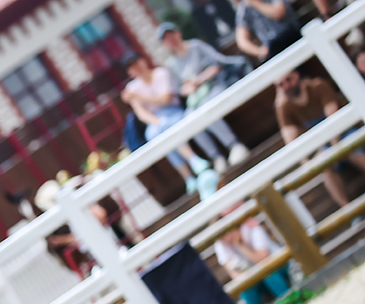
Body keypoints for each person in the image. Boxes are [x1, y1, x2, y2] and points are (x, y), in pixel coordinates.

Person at [158, 22, 252, 169]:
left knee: (206, 109)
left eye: (171, 35)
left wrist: (199, 80)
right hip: (195, 98)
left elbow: (217, 64)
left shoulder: (196, 46)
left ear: (178, 33)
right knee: (189, 119)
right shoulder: (171, 64)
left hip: (214, 85)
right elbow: (179, 89)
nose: (171, 40)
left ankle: (234, 145)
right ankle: (216, 156)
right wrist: (188, 88)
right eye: (166, 39)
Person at [121, 54, 216, 193]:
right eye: (132, 67)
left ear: (143, 61)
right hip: (154, 121)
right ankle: (193, 166)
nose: (136, 68)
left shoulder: (160, 73)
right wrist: (157, 121)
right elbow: (141, 114)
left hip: (173, 112)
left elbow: (165, 99)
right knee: (156, 133)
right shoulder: (132, 87)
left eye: (137, 63)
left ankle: (191, 171)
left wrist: (139, 96)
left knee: (165, 128)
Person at [275, 70, 365, 208]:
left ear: (297, 76)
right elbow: (290, 138)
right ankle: (349, 210)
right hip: (324, 145)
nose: (286, 86)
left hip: (343, 132)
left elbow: (333, 117)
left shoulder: (318, 85)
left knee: (350, 149)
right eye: (281, 84)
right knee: (323, 165)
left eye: (288, 79)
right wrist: (307, 163)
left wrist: (336, 147)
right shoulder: (284, 107)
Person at [214, 214, 293, 304]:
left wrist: (240, 245)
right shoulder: (221, 244)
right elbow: (234, 274)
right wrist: (246, 279)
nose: (226, 238)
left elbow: (263, 259)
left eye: (227, 233)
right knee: (245, 287)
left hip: (278, 267)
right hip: (256, 278)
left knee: (268, 274)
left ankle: (290, 302)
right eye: (222, 237)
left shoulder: (251, 228)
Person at [235, 0, 304, 62]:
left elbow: (278, 13)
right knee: (272, 53)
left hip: (291, 35)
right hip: (271, 48)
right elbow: (242, 41)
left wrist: (255, 3)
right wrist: (260, 51)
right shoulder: (244, 9)